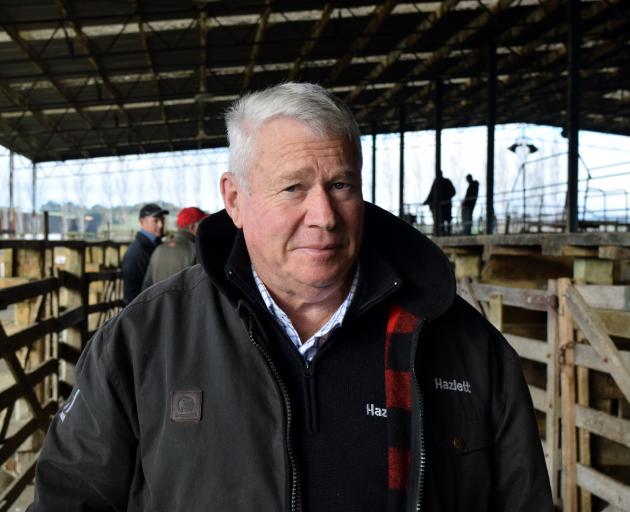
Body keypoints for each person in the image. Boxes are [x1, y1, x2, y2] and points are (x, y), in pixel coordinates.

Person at [29, 83, 551, 511]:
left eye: (341, 185)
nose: (324, 215)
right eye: (293, 188)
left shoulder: (461, 342)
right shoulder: (145, 339)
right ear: (235, 199)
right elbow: (71, 499)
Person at [142, 206, 208, 288]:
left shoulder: (158, 249)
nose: (207, 228)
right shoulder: (197, 251)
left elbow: (147, 285)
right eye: (203, 224)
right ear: (192, 227)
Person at [120, 203, 169, 305]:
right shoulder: (135, 253)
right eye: (156, 221)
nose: (161, 225)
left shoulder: (156, 246)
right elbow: (132, 293)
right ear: (142, 222)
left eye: (162, 220)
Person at [423, 170, 456, 236]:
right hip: (443, 206)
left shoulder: (444, 181)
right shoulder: (441, 182)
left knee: (446, 219)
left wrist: (445, 198)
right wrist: (426, 202)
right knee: (442, 220)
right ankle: (444, 233)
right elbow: (432, 194)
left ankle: (446, 233)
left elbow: (453, 192)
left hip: (445, 205)